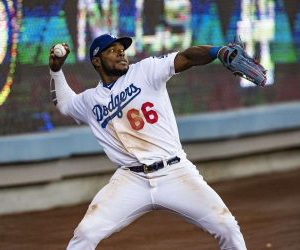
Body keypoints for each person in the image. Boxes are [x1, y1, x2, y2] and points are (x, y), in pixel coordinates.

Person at [49, 34, 247, 250]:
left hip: (175, 172)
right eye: (112, 50)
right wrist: (56, 70)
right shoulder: (90, 100)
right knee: (85, 234)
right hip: (131, 179)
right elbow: (64, 103)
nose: (121, 52)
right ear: (97, 60)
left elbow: (186, 57)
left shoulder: (145, 70)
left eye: (121, 48)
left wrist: (216, 51)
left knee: (227, 226)